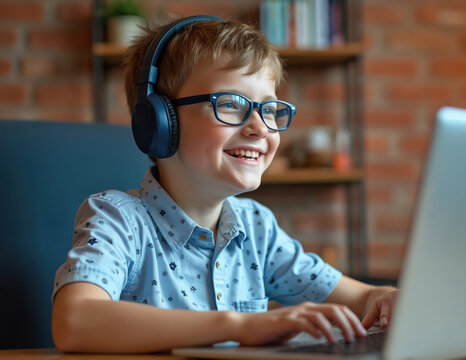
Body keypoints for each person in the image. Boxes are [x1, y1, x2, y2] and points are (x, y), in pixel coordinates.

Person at [51, 16, 398, 353]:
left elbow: (361, 298)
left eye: (270, 109)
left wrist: (383, 298)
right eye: (231, 105)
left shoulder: (257, 230)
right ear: (159, 123)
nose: (260, 127)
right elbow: (75, 320)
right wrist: (239, 326)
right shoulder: (120, 220)